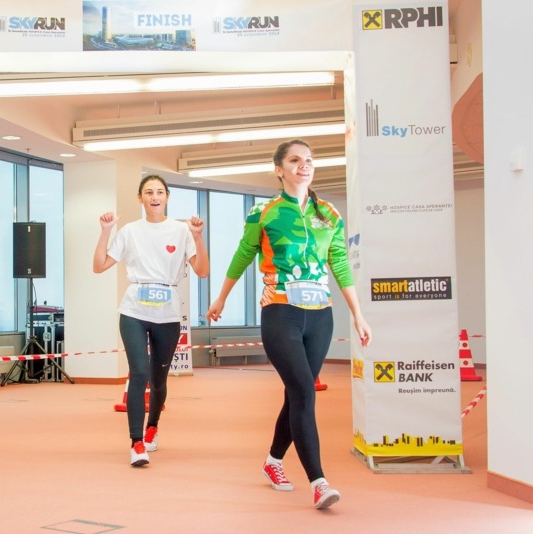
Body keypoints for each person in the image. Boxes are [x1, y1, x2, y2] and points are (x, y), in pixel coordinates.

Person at [206, 139, 371, 510]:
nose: (304, 165)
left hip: (321, 315)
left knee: (298, 393)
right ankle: (319, 482)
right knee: (304, 392)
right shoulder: (264, 213)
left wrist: (358, 314)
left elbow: (339, 263)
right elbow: (243, 254)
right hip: (280, 310)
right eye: (295, 160)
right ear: (279, 169)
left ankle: (273, 461)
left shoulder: (329, 214)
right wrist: (221, 298)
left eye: (309, 160)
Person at [93, 174, 209, 467]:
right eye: (148, 192)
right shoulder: (130, 231)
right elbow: (99, 266)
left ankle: (152, 426)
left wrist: (198, 236)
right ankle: (136, 443)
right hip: (134, 310)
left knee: (158, 379)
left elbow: (203, 271)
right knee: (139, 372)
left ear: (167, 197)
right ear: (140, 198)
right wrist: (106, 231)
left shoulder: (181, 230)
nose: (154, 197)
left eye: (159, 192)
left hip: (168, 313)